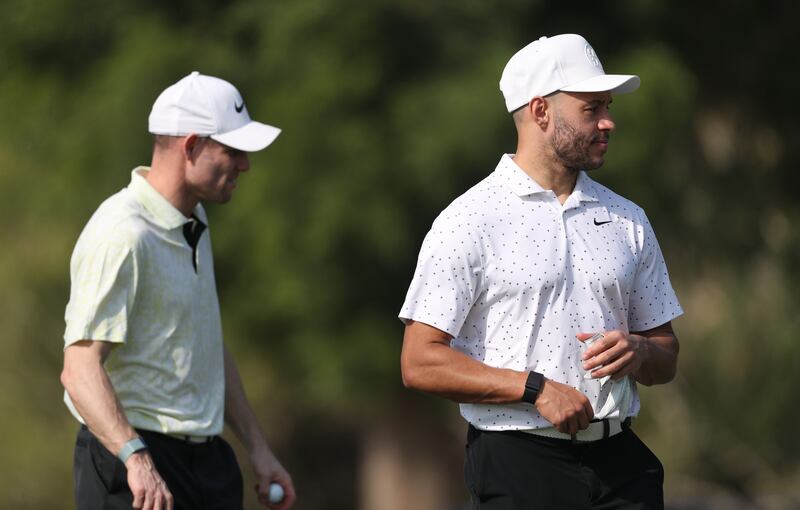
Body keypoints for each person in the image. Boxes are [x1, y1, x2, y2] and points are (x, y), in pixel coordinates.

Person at [399, 34, 683, 509]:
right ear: (540, 112)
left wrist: (638, 351)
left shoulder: (627, 218)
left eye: (607, 106)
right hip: (519, 462)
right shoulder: (469, 219)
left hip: (623, 468)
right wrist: (535, 389)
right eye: (591, 109)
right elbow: (420, 361)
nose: (609, 122)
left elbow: (667, 355)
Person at [61, 72, 296, 510]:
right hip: (133, 463)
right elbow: (79, 370)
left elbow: (204, 344)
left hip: (206, 462)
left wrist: (258, 449)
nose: (244, 165)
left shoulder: (195, 222)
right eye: (233, 151)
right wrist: (135, 458)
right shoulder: (122, 234)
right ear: (191, 147)